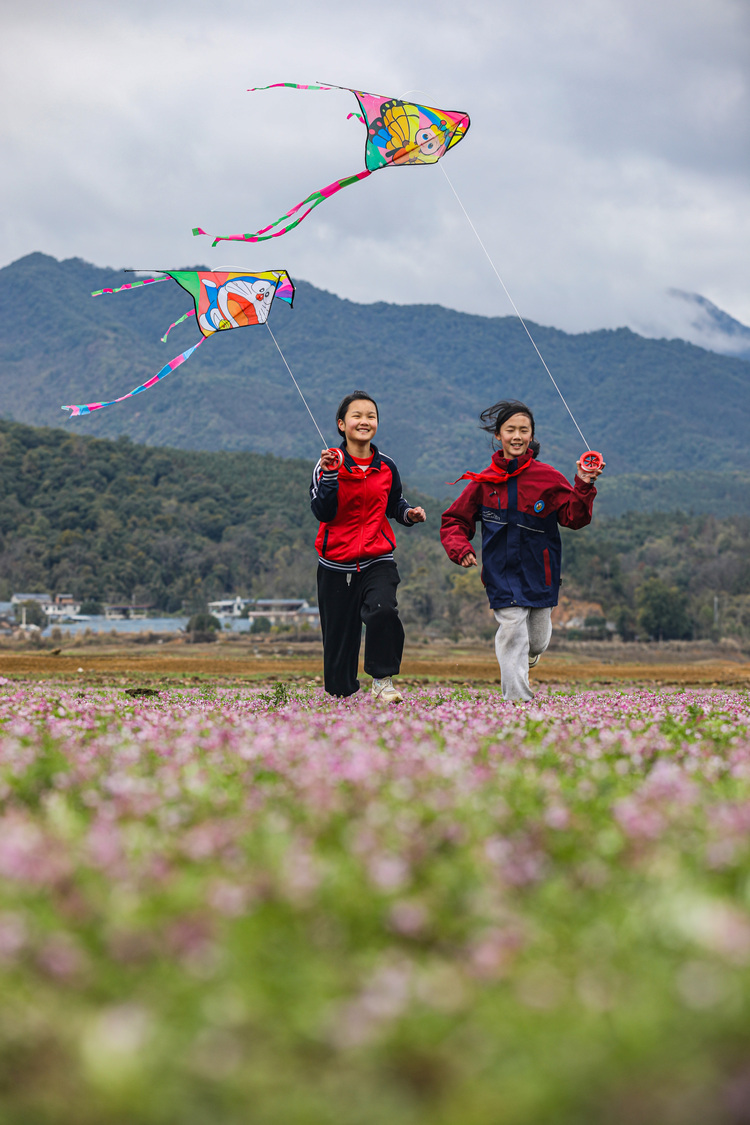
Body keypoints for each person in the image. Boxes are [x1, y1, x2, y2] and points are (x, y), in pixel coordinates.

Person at [440, 400, 603, 701]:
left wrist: (584, 483)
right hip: (500, 575)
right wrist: (459, 548)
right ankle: (518, 705)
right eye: (510, 430)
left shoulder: (548, 478)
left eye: (523, 430)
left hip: (540, 573)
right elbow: (454, 519)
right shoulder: (483, 482)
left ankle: (528, 656)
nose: (517, 436)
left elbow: (574, 518)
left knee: (537, 642)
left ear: (531, 436)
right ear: (498, 435)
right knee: (513, 633)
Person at [310, 391, 426, 701]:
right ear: (341, 424)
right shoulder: (326, 465)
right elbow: (323, 512)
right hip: (335, 565)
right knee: (338, 648)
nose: (364, 421)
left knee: (383, 610)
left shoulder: (386, 465)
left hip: (378, 559)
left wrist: (408, 514)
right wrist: (332, 476)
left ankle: (383, 681)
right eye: (357, 416)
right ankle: (343, 695)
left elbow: (394, 503)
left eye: (370, 416)